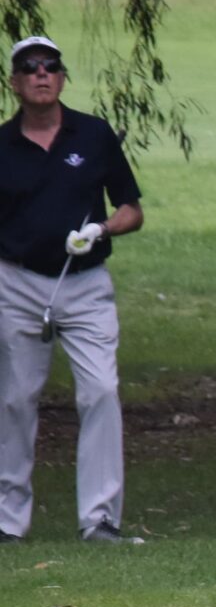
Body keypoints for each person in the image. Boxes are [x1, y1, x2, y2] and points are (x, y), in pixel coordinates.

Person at [0, 35, 144, 542]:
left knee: (101, 390)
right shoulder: (2, 144)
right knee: (15, 399)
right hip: (16, 283)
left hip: (85, 285)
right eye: (30, 67)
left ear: (62, 78)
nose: (41, 73)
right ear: (15, 82)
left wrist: (100, 230)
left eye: (50, 66)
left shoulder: (94, 135)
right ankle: (7, 520)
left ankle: (100, 519)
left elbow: (131, 210)